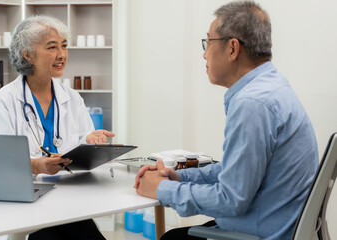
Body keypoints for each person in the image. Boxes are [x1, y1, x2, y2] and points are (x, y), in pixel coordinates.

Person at [134, 1, 318, 240]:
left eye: (208, 42)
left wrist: (161, 189)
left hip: (259, 233)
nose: (204, 53)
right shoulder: (272, 87)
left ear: (232, 48)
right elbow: (236, 170)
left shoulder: (253, 104)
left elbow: (231, 199)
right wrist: (180, 176)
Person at [0, 15, 114, 240]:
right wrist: (37, 165)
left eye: (64, 46)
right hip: (26, 200)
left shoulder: (72, 98)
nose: (61, 55)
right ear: (27, 54)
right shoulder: (4, 101)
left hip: (67, 197)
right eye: (52, 47)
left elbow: (80, 145)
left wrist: (91, 142)